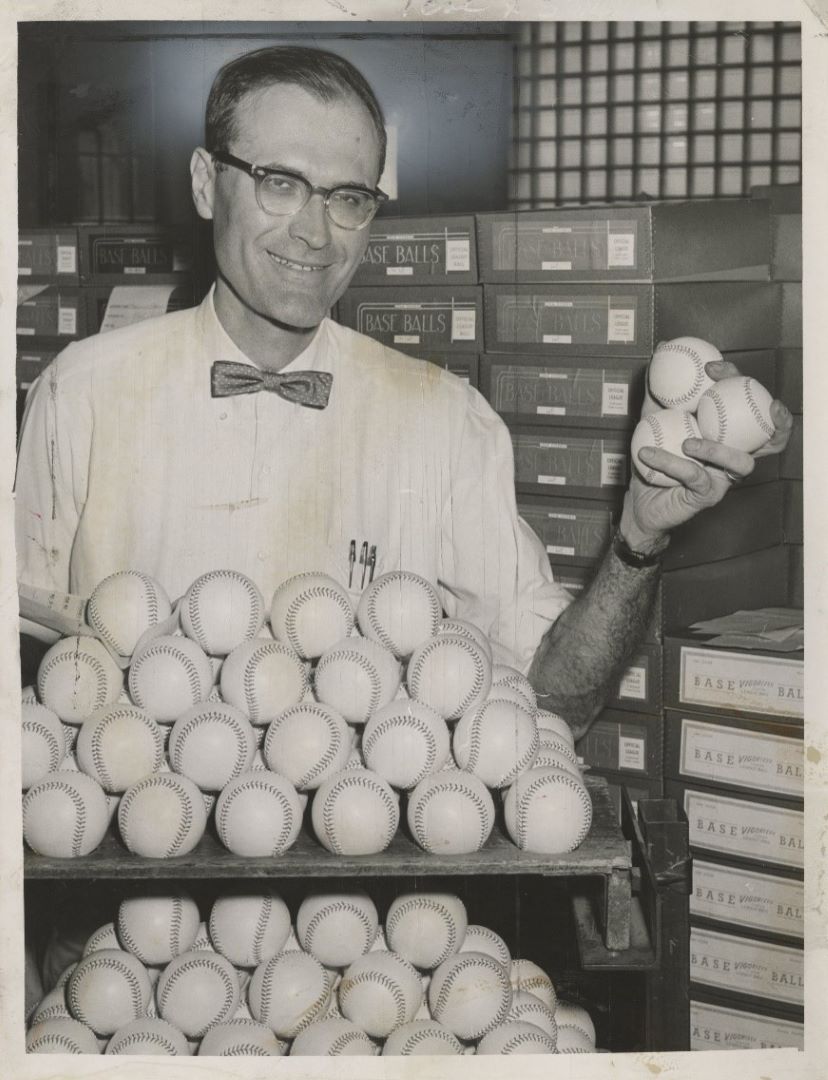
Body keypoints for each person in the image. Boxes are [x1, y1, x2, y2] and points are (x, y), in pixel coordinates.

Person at [15, 45, 793, 744]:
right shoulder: (83, 394)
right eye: (281, 184)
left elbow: (557, 703)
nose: (316, 234)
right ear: (204, 183)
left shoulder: (444, 421)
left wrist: (639, 539)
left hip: (370, 889)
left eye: (348, 197)